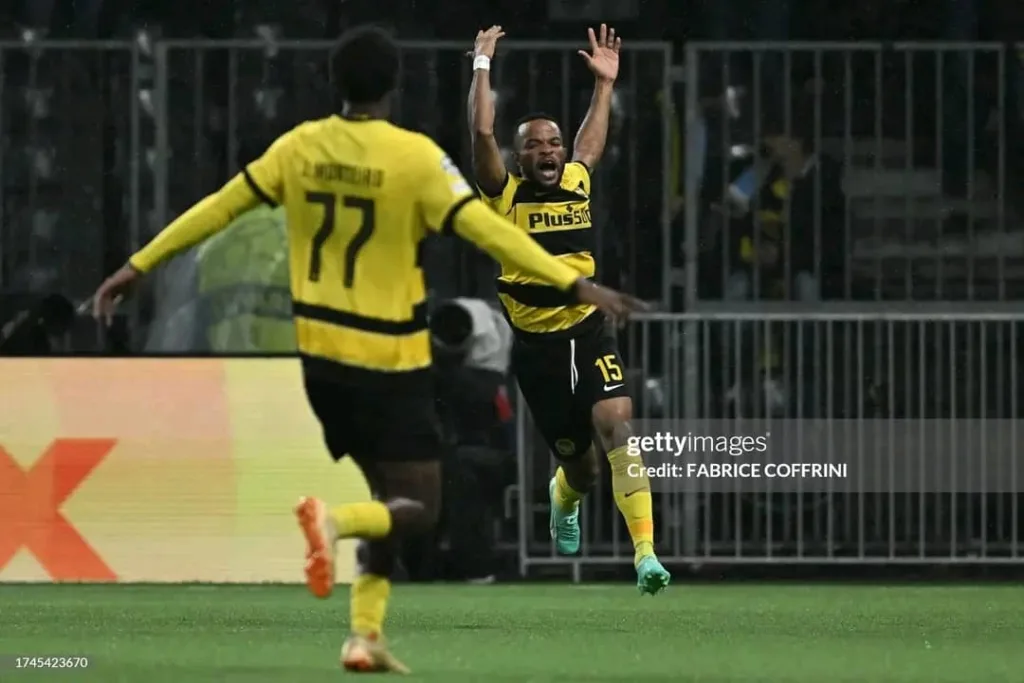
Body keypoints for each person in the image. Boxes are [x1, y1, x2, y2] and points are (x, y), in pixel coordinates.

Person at [90, 25, 648, 674]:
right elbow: (490, 234)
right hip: (388, 356)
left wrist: (138, 264)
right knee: (413, 504)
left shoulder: (300, 146)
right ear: (393, 88)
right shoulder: (413, 157)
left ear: (334, 84)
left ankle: (364, 633)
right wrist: (576, 280)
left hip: (320, 363)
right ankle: (333, 522)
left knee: (388, 485)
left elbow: (220, 206)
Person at [467, 24, 670, 594]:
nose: (548, 151)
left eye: (552, 142)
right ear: (518, 155)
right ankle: (564, 496)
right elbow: (481, 128)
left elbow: (590, 147)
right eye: (534, 144)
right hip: (539, 352)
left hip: (590, 331)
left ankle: (646, 556)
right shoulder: (503, 195)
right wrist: (482, 66)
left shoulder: (575, 181)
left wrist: (604, 86)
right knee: (580, 467)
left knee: (617, 426)